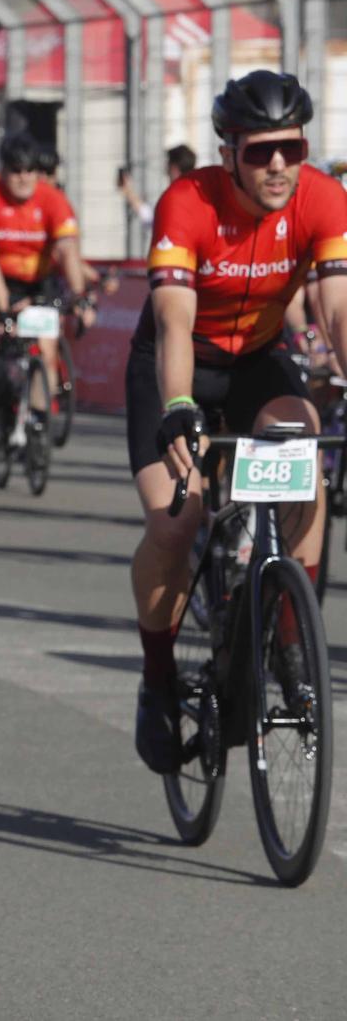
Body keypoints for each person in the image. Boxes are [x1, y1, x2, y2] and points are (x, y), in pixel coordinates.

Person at [128, 72, 347, 773]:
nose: (279, 165)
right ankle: (159, 675)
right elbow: (173, 316)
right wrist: (179, 407)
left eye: (291, 148)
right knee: (175, 522)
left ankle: (289, 635)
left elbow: (338, 308)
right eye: (260, 152)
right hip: (175, 362)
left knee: (303, 453)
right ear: (230, 153)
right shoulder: (186, 201)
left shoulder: (323, 197)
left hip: (255, 359)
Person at [0, 137, 93, 422]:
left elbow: (67, 250)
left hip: (41, 281)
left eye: (29, 170)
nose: (23, 178)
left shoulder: (52, 199)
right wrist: (2, 310)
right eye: (15, 170)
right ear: (3, 172)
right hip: (1, 279)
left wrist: (79, 294)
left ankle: (39, 418)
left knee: (47, 347)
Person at [119, 143, 198, 230]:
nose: (166, 169)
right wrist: (128, 192)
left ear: (174, 168)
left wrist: (128, 191)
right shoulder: (192, 195)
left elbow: (156, 222)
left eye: (168, 163)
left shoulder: (177, 198)